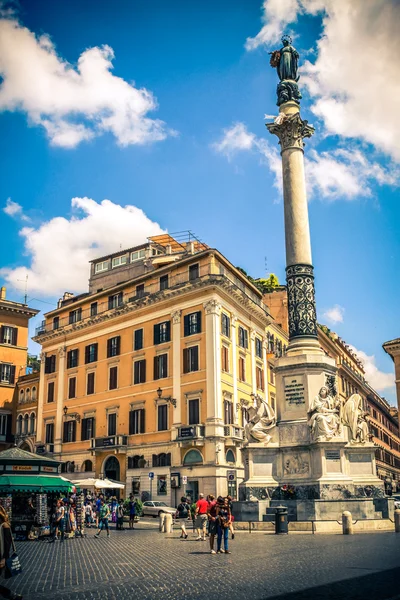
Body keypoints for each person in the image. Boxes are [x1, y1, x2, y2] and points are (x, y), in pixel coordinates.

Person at [0, 506, 22, 600]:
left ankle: (10, 594)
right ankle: (10, 595)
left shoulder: (5, 525)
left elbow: (7, 544)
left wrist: (4, 558)